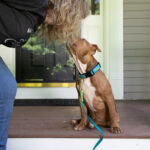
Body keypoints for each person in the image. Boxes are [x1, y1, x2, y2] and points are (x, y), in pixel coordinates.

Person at [0, 0, 89, 150]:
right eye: (75, 17)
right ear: (68, 10)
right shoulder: (37, 2)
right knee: (5, 86)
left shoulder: (35, 18)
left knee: (5, 87)